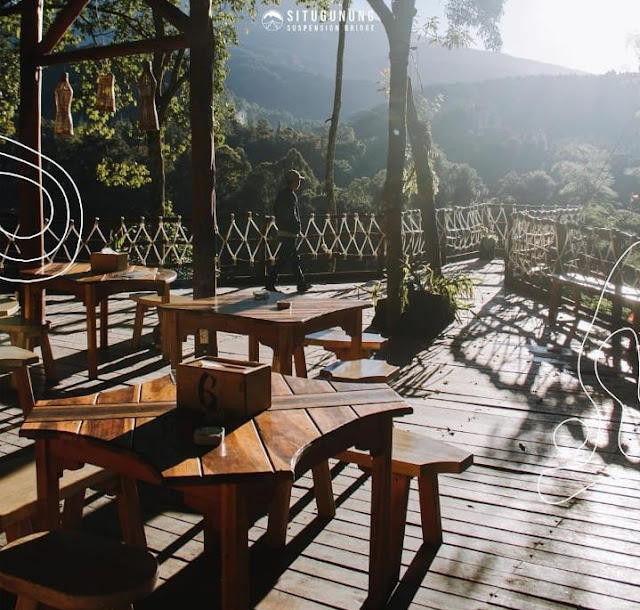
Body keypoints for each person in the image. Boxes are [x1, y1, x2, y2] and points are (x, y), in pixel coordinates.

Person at [266, 169, 311, 292]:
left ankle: (301, 284)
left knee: (293, 259)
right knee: (284, 259)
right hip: (288, 232)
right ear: (293, 182)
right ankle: (270, 283)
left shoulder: (284, 195)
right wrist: (294, 226)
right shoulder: (289, 196)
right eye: (298, 181)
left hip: (285, 230)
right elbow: (290, 214)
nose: (299, 183)